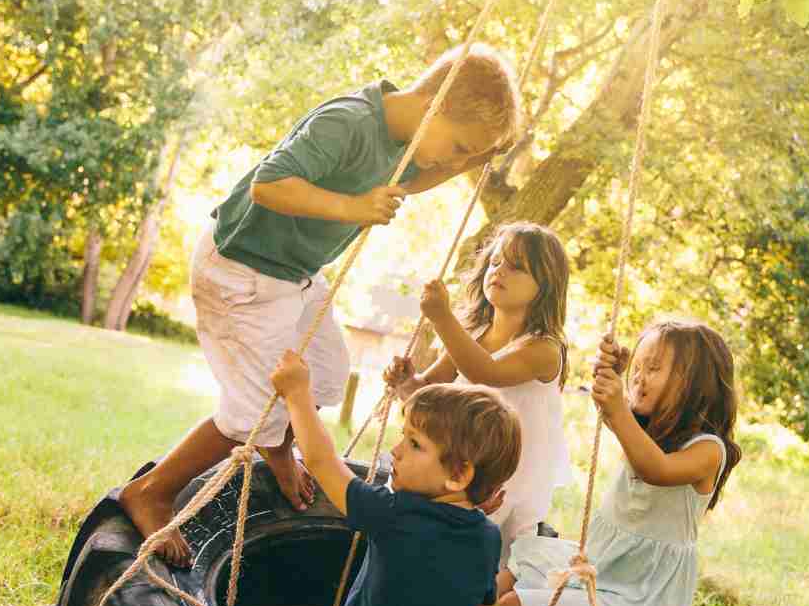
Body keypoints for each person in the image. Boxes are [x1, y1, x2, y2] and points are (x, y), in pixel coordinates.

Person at [121, 46, 521, 564]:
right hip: (240, 270)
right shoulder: (349, 123)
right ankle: (151, 491)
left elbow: (427, 174)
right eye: (460, 146)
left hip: (294, 277)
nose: (456, 163)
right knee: (254, 411)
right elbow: (268, 184)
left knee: (328, 376)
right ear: (435, 102)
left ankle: (279, 450)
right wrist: (351, 208)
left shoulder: (409, 147)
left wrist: (479, 154)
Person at [454, 318, 741, 606]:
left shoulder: (708, 450)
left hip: (636, 598)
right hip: (603, 567)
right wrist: (617, 377)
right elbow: (622, 425)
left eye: (654, 368)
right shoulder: (649, 432)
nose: (641, 376)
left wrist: (619, 404)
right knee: (525, 558)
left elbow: (654, 469)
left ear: (698, 384)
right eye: (639, 366)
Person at [271, 350, 521, 606]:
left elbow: (319, 460)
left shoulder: (393, 514)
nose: (395, 451)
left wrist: (298, 392)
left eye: (415, 444)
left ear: (459, 475)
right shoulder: (488, 538)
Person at [383, 222, 572, 561]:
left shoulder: (544, 349)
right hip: (462, 463)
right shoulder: (476, 331)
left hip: (509, 476)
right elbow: (427, 394)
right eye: (496, 262)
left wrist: (442, 318)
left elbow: (486, 372)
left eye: (516, 267)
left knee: (482, 554)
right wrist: (405, 382)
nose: (499, 271)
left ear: (545, 284)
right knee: (437, 546)